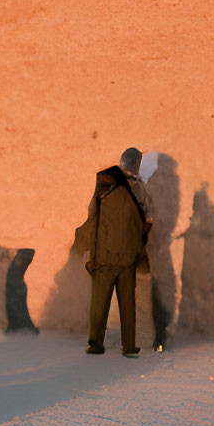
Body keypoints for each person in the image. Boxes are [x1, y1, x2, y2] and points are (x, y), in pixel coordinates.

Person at [78, 148, 154, 357]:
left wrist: (85, 246)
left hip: (104, 255)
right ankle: (128, 346)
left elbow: (93, 216)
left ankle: (96, 344)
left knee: (99, 304)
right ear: (136, 163)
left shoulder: (105, 180)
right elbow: (147, 218)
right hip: (128, 256)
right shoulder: (140, 188)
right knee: (127, 304)